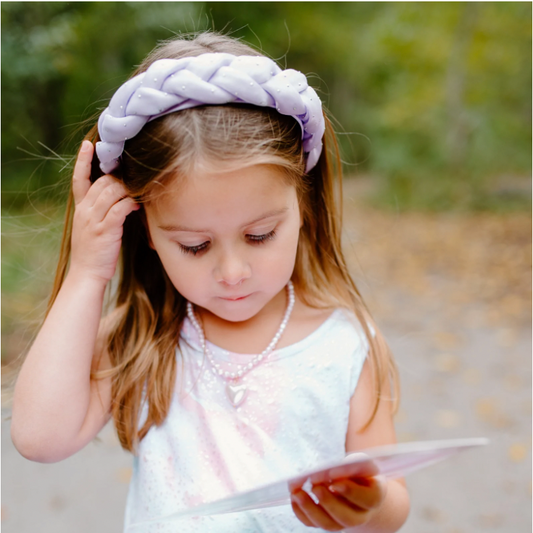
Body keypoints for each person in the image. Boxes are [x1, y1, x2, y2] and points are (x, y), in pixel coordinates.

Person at [11, 32, 410, 532]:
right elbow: (39, 437)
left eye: (260, 235)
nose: (233, 272)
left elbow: (390, 499)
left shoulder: (345, 344)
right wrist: (86, 273)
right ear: (147, 229)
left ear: (302, 205)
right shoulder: (145, 335)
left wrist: (370, 506)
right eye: (196, 246)